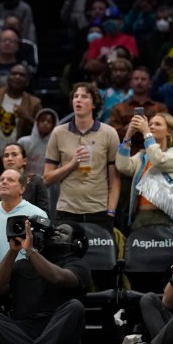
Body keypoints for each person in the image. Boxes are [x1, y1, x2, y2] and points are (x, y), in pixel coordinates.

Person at [0, 221, 91, 344]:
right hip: (26, 328)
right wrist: (13, 251)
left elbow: (57, 278)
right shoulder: (23, 264)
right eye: (55, 230)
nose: (56, 233)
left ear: (76, 242)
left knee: (75, 307)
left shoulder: (78, 264)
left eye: (63, 232)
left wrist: (31, 251)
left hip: (56, 329)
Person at [0, 169, 48, 324]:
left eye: (10, 180)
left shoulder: (37, 214)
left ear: (22, 189)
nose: (4, 182)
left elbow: (43, 252)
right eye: (1, 180)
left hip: (27, 278)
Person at [43, 83, 120, 233]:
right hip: (67, 210)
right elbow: (47, 178)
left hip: (99, 211)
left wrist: (110, 212)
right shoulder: (59, 133)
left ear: (94, 104)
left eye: (84, 96)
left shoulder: (109, 133)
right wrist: (71, 164)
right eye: (75, 96)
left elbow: (115, 180)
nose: (78, 100)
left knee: (101, 256)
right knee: (66, 256)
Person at [116, 113, 173, 229]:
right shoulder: (143, 156)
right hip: (141, 216)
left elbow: (158, 160)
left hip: (166, 218)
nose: (151, 127)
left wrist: (146, 133)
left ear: (169, 132)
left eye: (158, 124)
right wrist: (128, 136)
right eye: (150, 124)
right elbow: (122, 166)